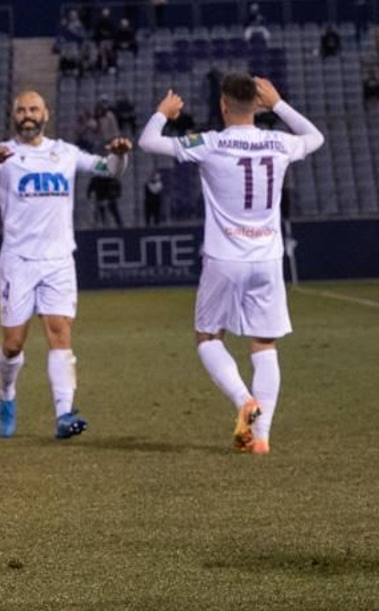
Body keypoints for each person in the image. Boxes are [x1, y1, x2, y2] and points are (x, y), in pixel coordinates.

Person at [138, 74, 325, 455]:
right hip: (267, 257)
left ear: (223, 105)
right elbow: (316, 137)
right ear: (256, 103)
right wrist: (278, 104)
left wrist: (163, 113)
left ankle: (244, 399)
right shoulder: (280, 142)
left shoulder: (211, 143)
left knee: (208, 337)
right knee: (264, 343)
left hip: (225, 257)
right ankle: (262, 437)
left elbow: (148, 142)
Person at [0, 91, 132, 439]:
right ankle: (7, 394)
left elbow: (109, 169)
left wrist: (120, 155)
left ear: (46, 114)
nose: (28, 115)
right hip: (18, 261)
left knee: (60, 333)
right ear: (13, 116)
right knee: (13, 345)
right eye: (21, 110)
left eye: (33, 109)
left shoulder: (65, 153)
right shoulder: (4, 154)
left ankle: (64, 414)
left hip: (58, 261)